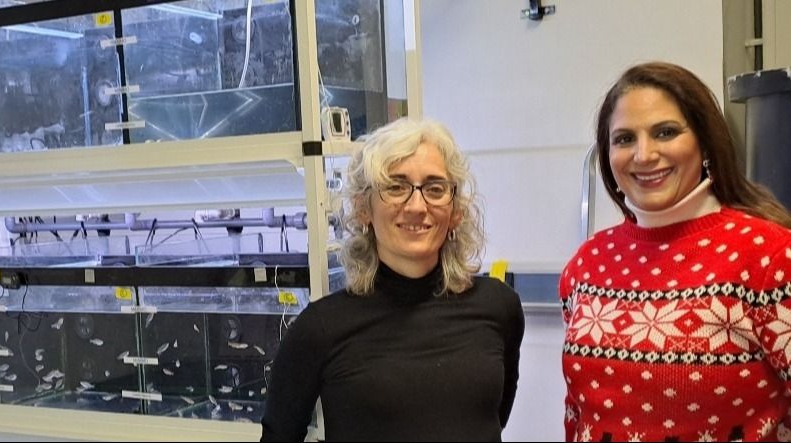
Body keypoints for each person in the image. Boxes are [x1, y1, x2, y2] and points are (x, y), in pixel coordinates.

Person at [560, 61, 791, 442]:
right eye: (624, 139)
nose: (644, 154)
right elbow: (576, 413)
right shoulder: (586, 266)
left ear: (704, 142)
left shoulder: (771, 258)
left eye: (665, 132)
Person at [261, 118, 525, 442]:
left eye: (435, 188)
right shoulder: (320, 329)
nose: (417, 206)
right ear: (363, 209)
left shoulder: (498, 306)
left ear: (455, 210)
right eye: (395, 187)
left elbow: (493, 417)